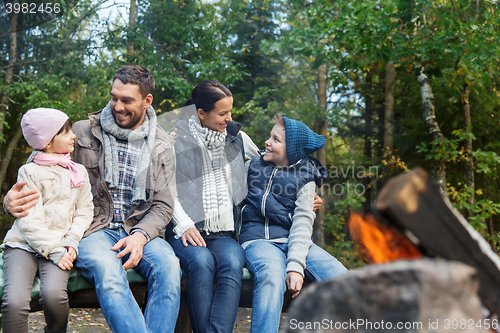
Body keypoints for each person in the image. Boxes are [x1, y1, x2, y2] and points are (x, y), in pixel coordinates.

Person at [3, 65, 181, 333]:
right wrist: (8, 202)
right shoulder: (83, 131)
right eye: (114, 97)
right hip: (92, 229)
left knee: (170, 269)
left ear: (147, 101)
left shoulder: (162, 144)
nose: (117, 106)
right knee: (109, 273)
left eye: (126, 100)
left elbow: (164, 205)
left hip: (138, 228)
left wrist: (141, 235)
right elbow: (37, 169)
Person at [239, 114, 348, 333]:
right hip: (257, 239)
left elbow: (302, 225)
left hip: (293, 240)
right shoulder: (254, 163)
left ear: (292, 151)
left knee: (343, 278)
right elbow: (237, 136)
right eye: (270, 136)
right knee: (271, 275)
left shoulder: (306, 179)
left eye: (276, 140)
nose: (267, 142)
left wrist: (296, 266)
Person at [165, 80, 259, 333]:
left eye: (230, 112)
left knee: (232, 261)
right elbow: (165, 188)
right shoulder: (175, 141)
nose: (229, 118)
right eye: (222, 113)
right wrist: (183, 225)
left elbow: (267, 167)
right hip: (185, 228)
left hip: (224, 232)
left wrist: (303, 191)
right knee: (202, 262)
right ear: (201, 113)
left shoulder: (237, 139)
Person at [1, 108, 93, 333]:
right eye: (66, 132)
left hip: (62, 245)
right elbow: (29, 220)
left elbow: (85, 210)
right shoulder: (29, 172)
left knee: (54, 297)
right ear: (48, 142)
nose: (73, 136)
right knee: (14, 302)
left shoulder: (78, 171)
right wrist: (53, 250)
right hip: (23, 246)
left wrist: (71, 240)